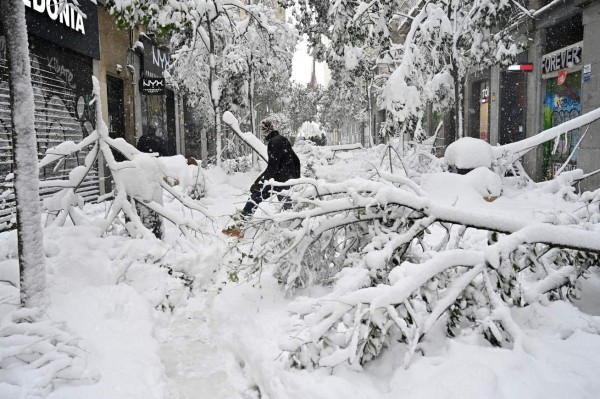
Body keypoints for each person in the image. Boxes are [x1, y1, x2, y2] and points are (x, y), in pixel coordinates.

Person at [223, 119, 301, 236]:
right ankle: (295, 229)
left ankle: (239, 228)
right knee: (286, 204)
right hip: (286, 179)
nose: (262, 132)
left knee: (256, 197)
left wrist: (261, 183)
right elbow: (296, 160)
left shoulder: (274, 142)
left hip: (278, 180)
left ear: (267, 130)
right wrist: (295, 177)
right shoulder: (282, 139)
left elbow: (273, 166)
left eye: (263, 129)